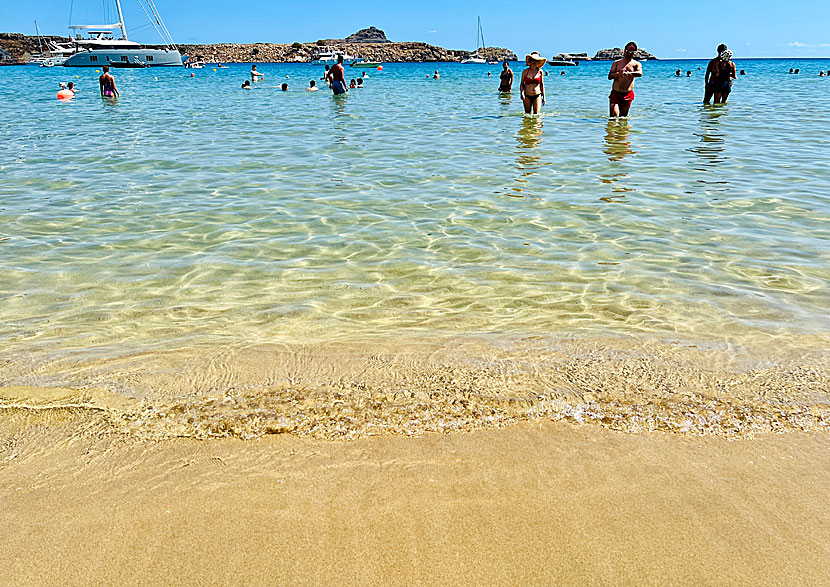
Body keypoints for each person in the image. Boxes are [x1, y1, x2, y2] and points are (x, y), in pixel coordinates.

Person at [608, 42, 642, 117]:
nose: (629, 54)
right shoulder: (617, 63)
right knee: (613, 116)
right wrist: (618, 74)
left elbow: (640, 73)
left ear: (634, 53)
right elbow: (610, 76)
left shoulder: (636, 64)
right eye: (627, 51)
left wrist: (629, 73)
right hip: (616, 93)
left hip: (627, 93)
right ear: (624, 51)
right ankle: (612, 128)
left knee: (623, 118)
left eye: (631, 52)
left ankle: (622, 129)